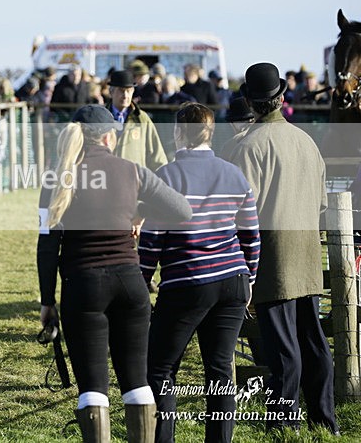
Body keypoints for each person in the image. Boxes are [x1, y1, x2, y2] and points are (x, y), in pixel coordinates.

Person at [36, 104, 192, 442]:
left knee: (93, 387)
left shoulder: (57, 177)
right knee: (137, 382)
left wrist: (47, 300)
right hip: (130, 284)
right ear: (110, 136)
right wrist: (139, 211)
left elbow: (47, 248)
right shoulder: (132, 170)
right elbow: (182, 210)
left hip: (83, 286)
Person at [226, 62, 339, 434]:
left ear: (248, 100)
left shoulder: (248, 147)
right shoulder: (306, 141)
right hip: (306, 253)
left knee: (283, 350)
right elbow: (322, 203)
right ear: (281, 97)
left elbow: (241, 213)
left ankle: (283, 422)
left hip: (270, 259)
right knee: (315, 342)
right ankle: (325, 419)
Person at [139, 103, 260, 442]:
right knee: (220, 370)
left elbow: (151, 240)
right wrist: (249, 276)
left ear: (179, 132)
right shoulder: (234, 174)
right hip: (232, 279)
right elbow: (251, 234)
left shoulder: (166, 176)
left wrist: (143, 279)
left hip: (187, 280)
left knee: (161, 369)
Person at [107, 70, 168, 171]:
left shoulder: (142, 118)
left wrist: (163, 180)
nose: (125, 95)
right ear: (111, 92)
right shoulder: (100, 118)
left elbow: (156, 156)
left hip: (135, 181)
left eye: (129, 90)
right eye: (121, 90)